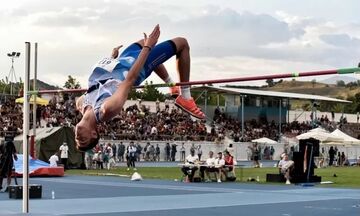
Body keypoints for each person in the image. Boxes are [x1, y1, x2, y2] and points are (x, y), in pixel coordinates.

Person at [75, 25, 205, 151]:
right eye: (83, 140)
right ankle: (186, 97)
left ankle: (172, 85)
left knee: (144, 41)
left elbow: (99, 82)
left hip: (121, 60)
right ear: (94, 134)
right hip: (137, 66)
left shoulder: (80, 103)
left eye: (77, 141)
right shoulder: (106, 110)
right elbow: (129, 80)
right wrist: (148, 48)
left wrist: (111, 58)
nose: (78, 138)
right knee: (182, 43)